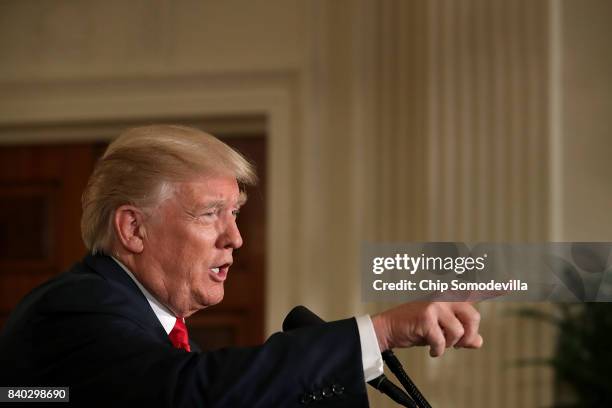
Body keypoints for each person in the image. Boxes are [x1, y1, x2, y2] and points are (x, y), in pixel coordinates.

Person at [0, 125, 482, 407]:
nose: (235, 238)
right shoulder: (78, 308)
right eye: (211, 213)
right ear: (133, 229)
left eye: (235, 214)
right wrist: (379, 332)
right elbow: (188, 396)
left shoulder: (147, 321)